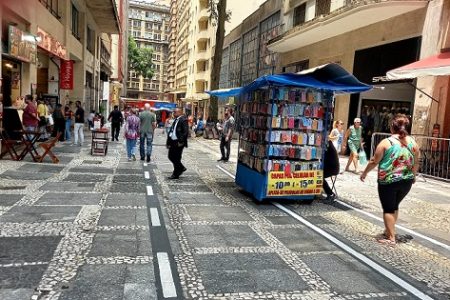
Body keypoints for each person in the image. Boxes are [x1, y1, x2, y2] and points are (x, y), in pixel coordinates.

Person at [360, 114, 419, 246]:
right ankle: (389, 231)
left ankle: (391, 237)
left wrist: (364, 173)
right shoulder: (413, 143)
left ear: (392, 127)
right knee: (395, 205)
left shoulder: (386, 143)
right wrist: (413, 175)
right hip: (406, 181)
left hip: (388, 181)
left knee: (388, 209)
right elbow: (416, 162)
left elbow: (374, 161)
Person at [166, 107, 189, 179]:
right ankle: (181, 168)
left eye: (175, 112)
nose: (174, 113)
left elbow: (185, 132)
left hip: (178, 142)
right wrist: (168, 142)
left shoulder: (183, 120)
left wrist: (181, 141)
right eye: (173, 112)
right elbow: (172, 131)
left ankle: (176, 173)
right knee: (171, 156)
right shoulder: (176, 120)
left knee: (176, 157)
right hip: (173, 141)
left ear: (179, 112)